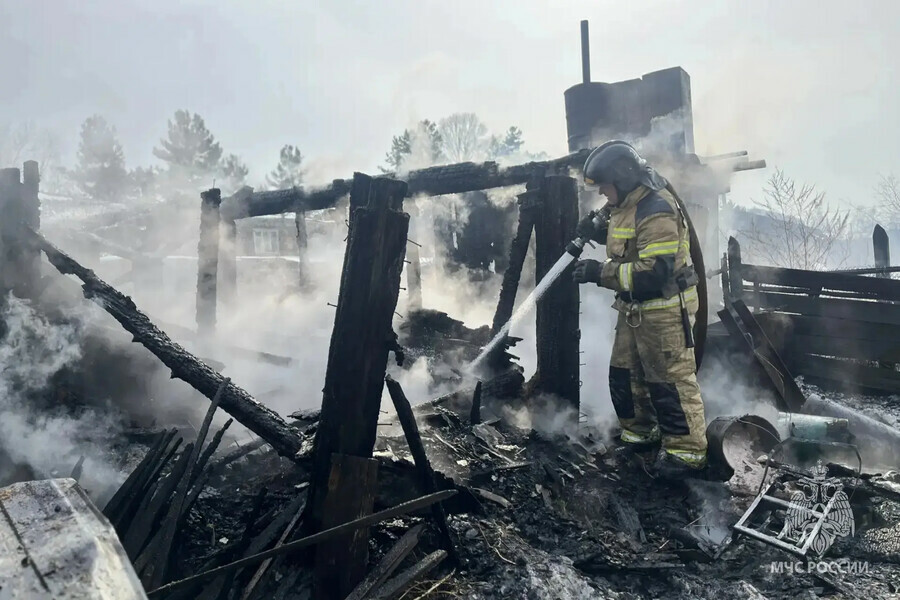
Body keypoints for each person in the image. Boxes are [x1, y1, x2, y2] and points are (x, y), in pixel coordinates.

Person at [571, 140, 708, 479]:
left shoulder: (656, 208)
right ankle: (640, 436)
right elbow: (628, 244)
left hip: (663, 309)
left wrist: (598, 272)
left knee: (669, 382)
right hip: (634, 309)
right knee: (624, 375)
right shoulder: (628, 205)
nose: (602, 191)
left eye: (605, 184)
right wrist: (599, 232)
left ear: (623, 177)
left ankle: (686, 453)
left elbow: (654, 271)